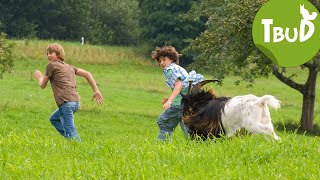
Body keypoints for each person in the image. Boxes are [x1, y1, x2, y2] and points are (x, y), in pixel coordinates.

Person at [35, 43, 103, 142]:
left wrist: (40, 77)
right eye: (47, 53)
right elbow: (87, 74)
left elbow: (42, 85)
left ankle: (78, 146)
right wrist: (96, 90)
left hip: (66, 103)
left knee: (71, 130)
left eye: (51, 53)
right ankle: (70, 139)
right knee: (54, 119)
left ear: (58, 54)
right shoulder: (69, 67)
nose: (48, 55)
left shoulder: (51, 65)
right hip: (75, 102)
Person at [152, 46, 190, 141]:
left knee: (165, 123)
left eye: (164, 60)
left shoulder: (170, 70)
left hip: (178, 104)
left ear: (172, 58)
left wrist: (170, 101)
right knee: (187, 126)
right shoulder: (178, 68)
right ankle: (196, 144)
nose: (161, 63)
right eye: (160, 61)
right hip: (187, 101)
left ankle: (162, 145)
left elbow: (178, 85)